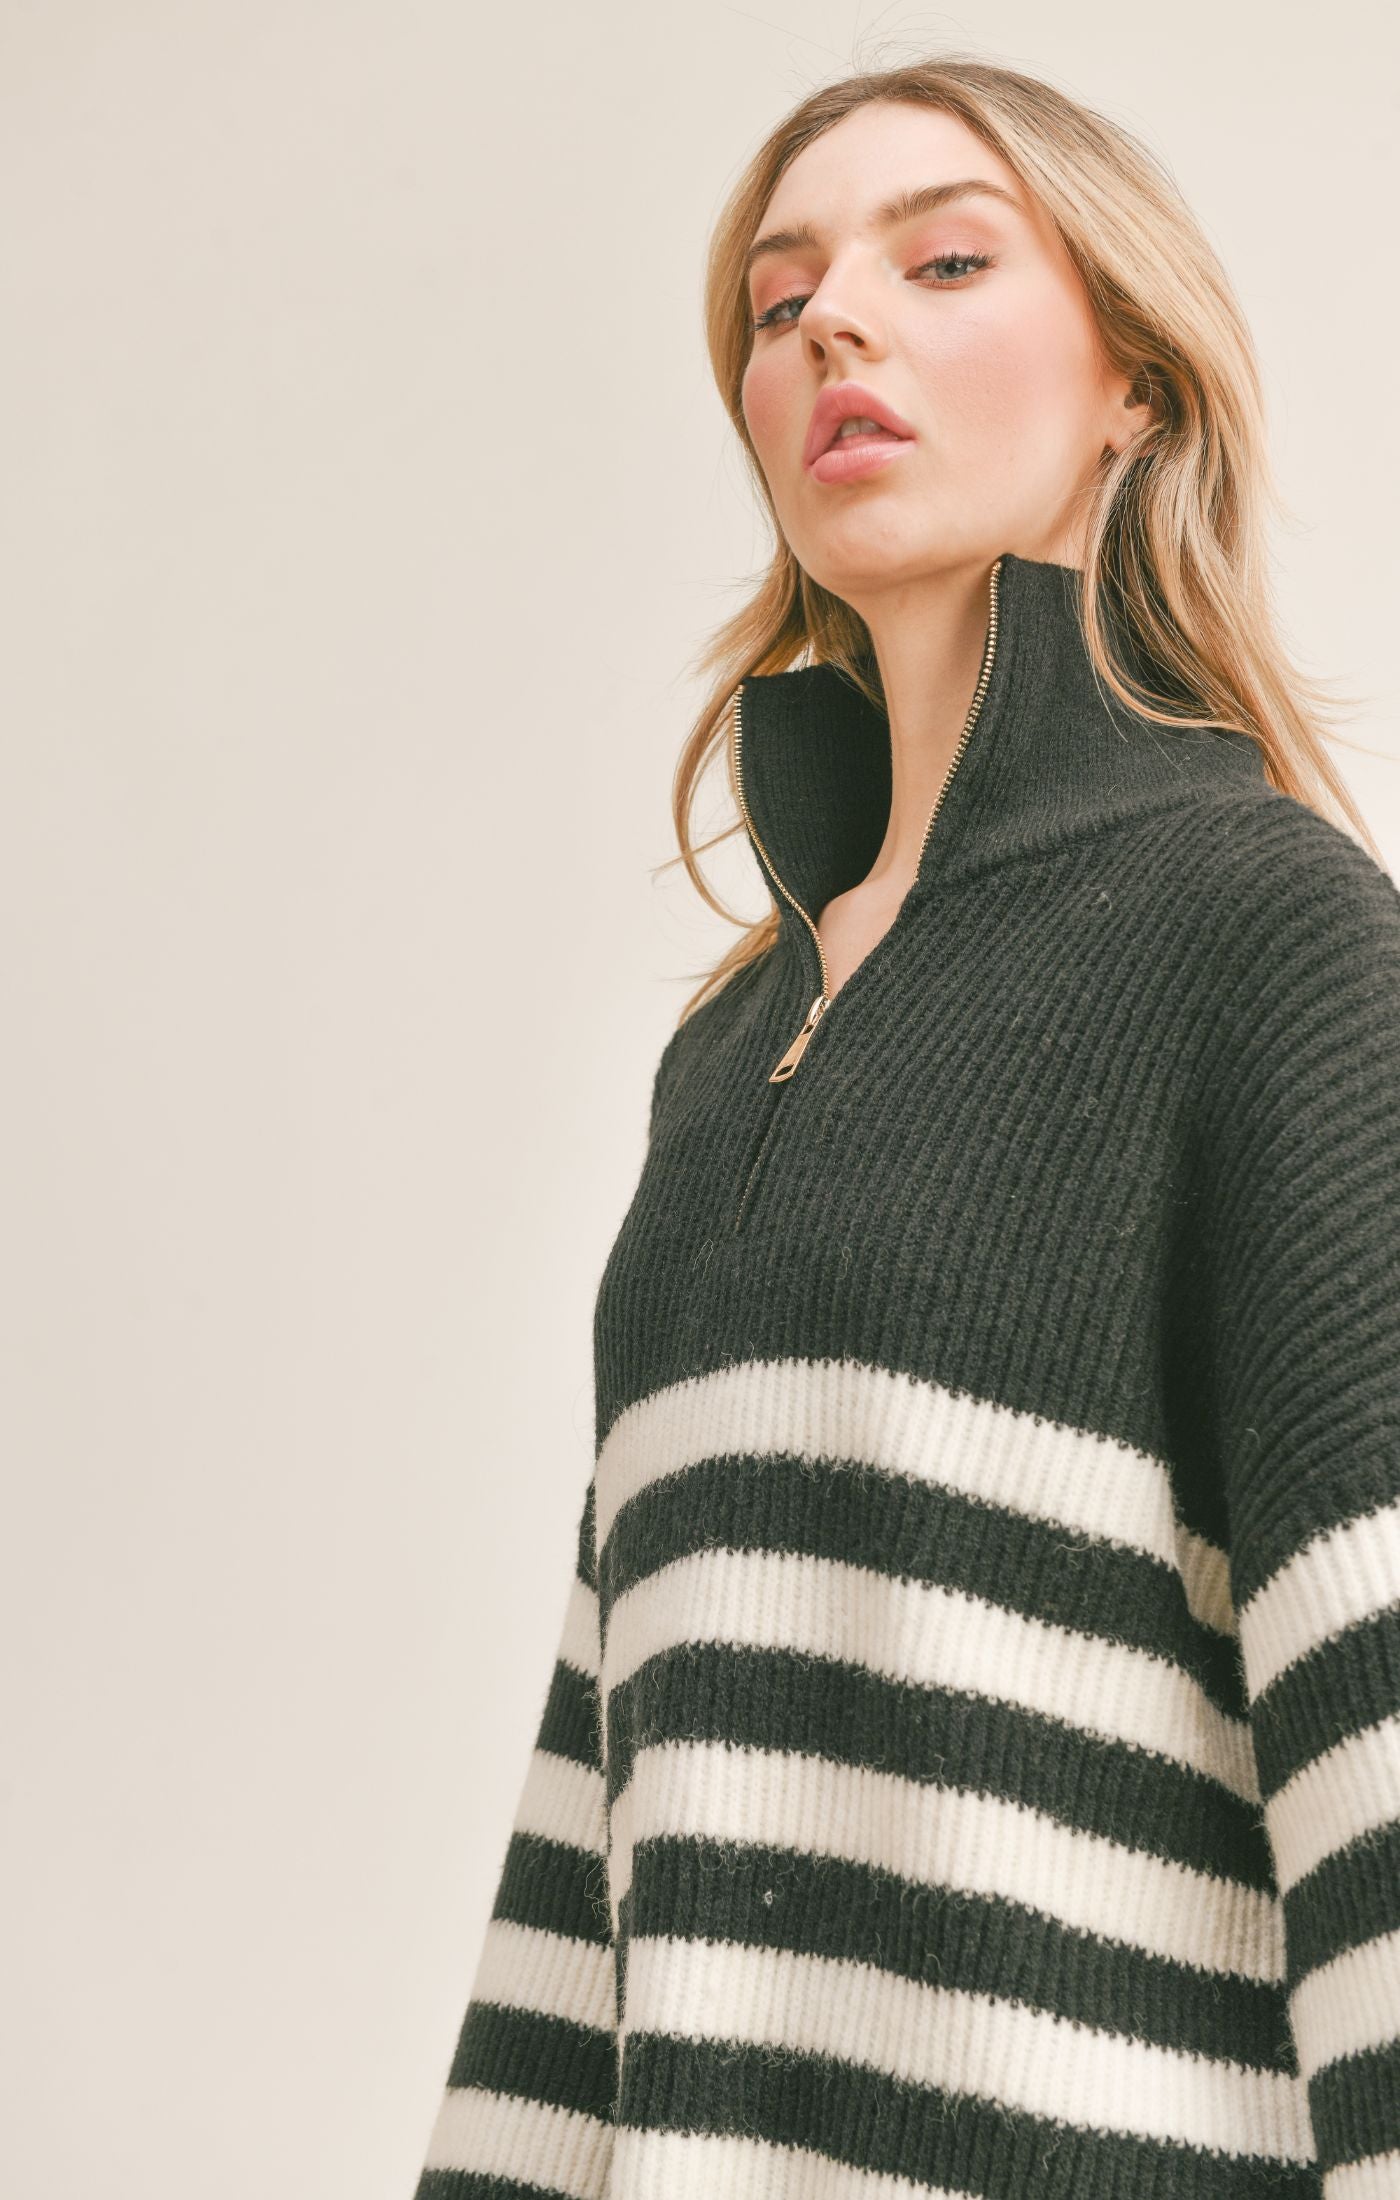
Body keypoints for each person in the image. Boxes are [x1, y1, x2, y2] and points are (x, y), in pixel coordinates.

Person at [412, 54, 1400, 2200]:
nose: (832, 324)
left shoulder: (1268, 936)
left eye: (942, 262)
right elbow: (607, 1785)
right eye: (779, 305)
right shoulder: (737, 1041)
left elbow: (1385, 1714)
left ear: (1135, 384)